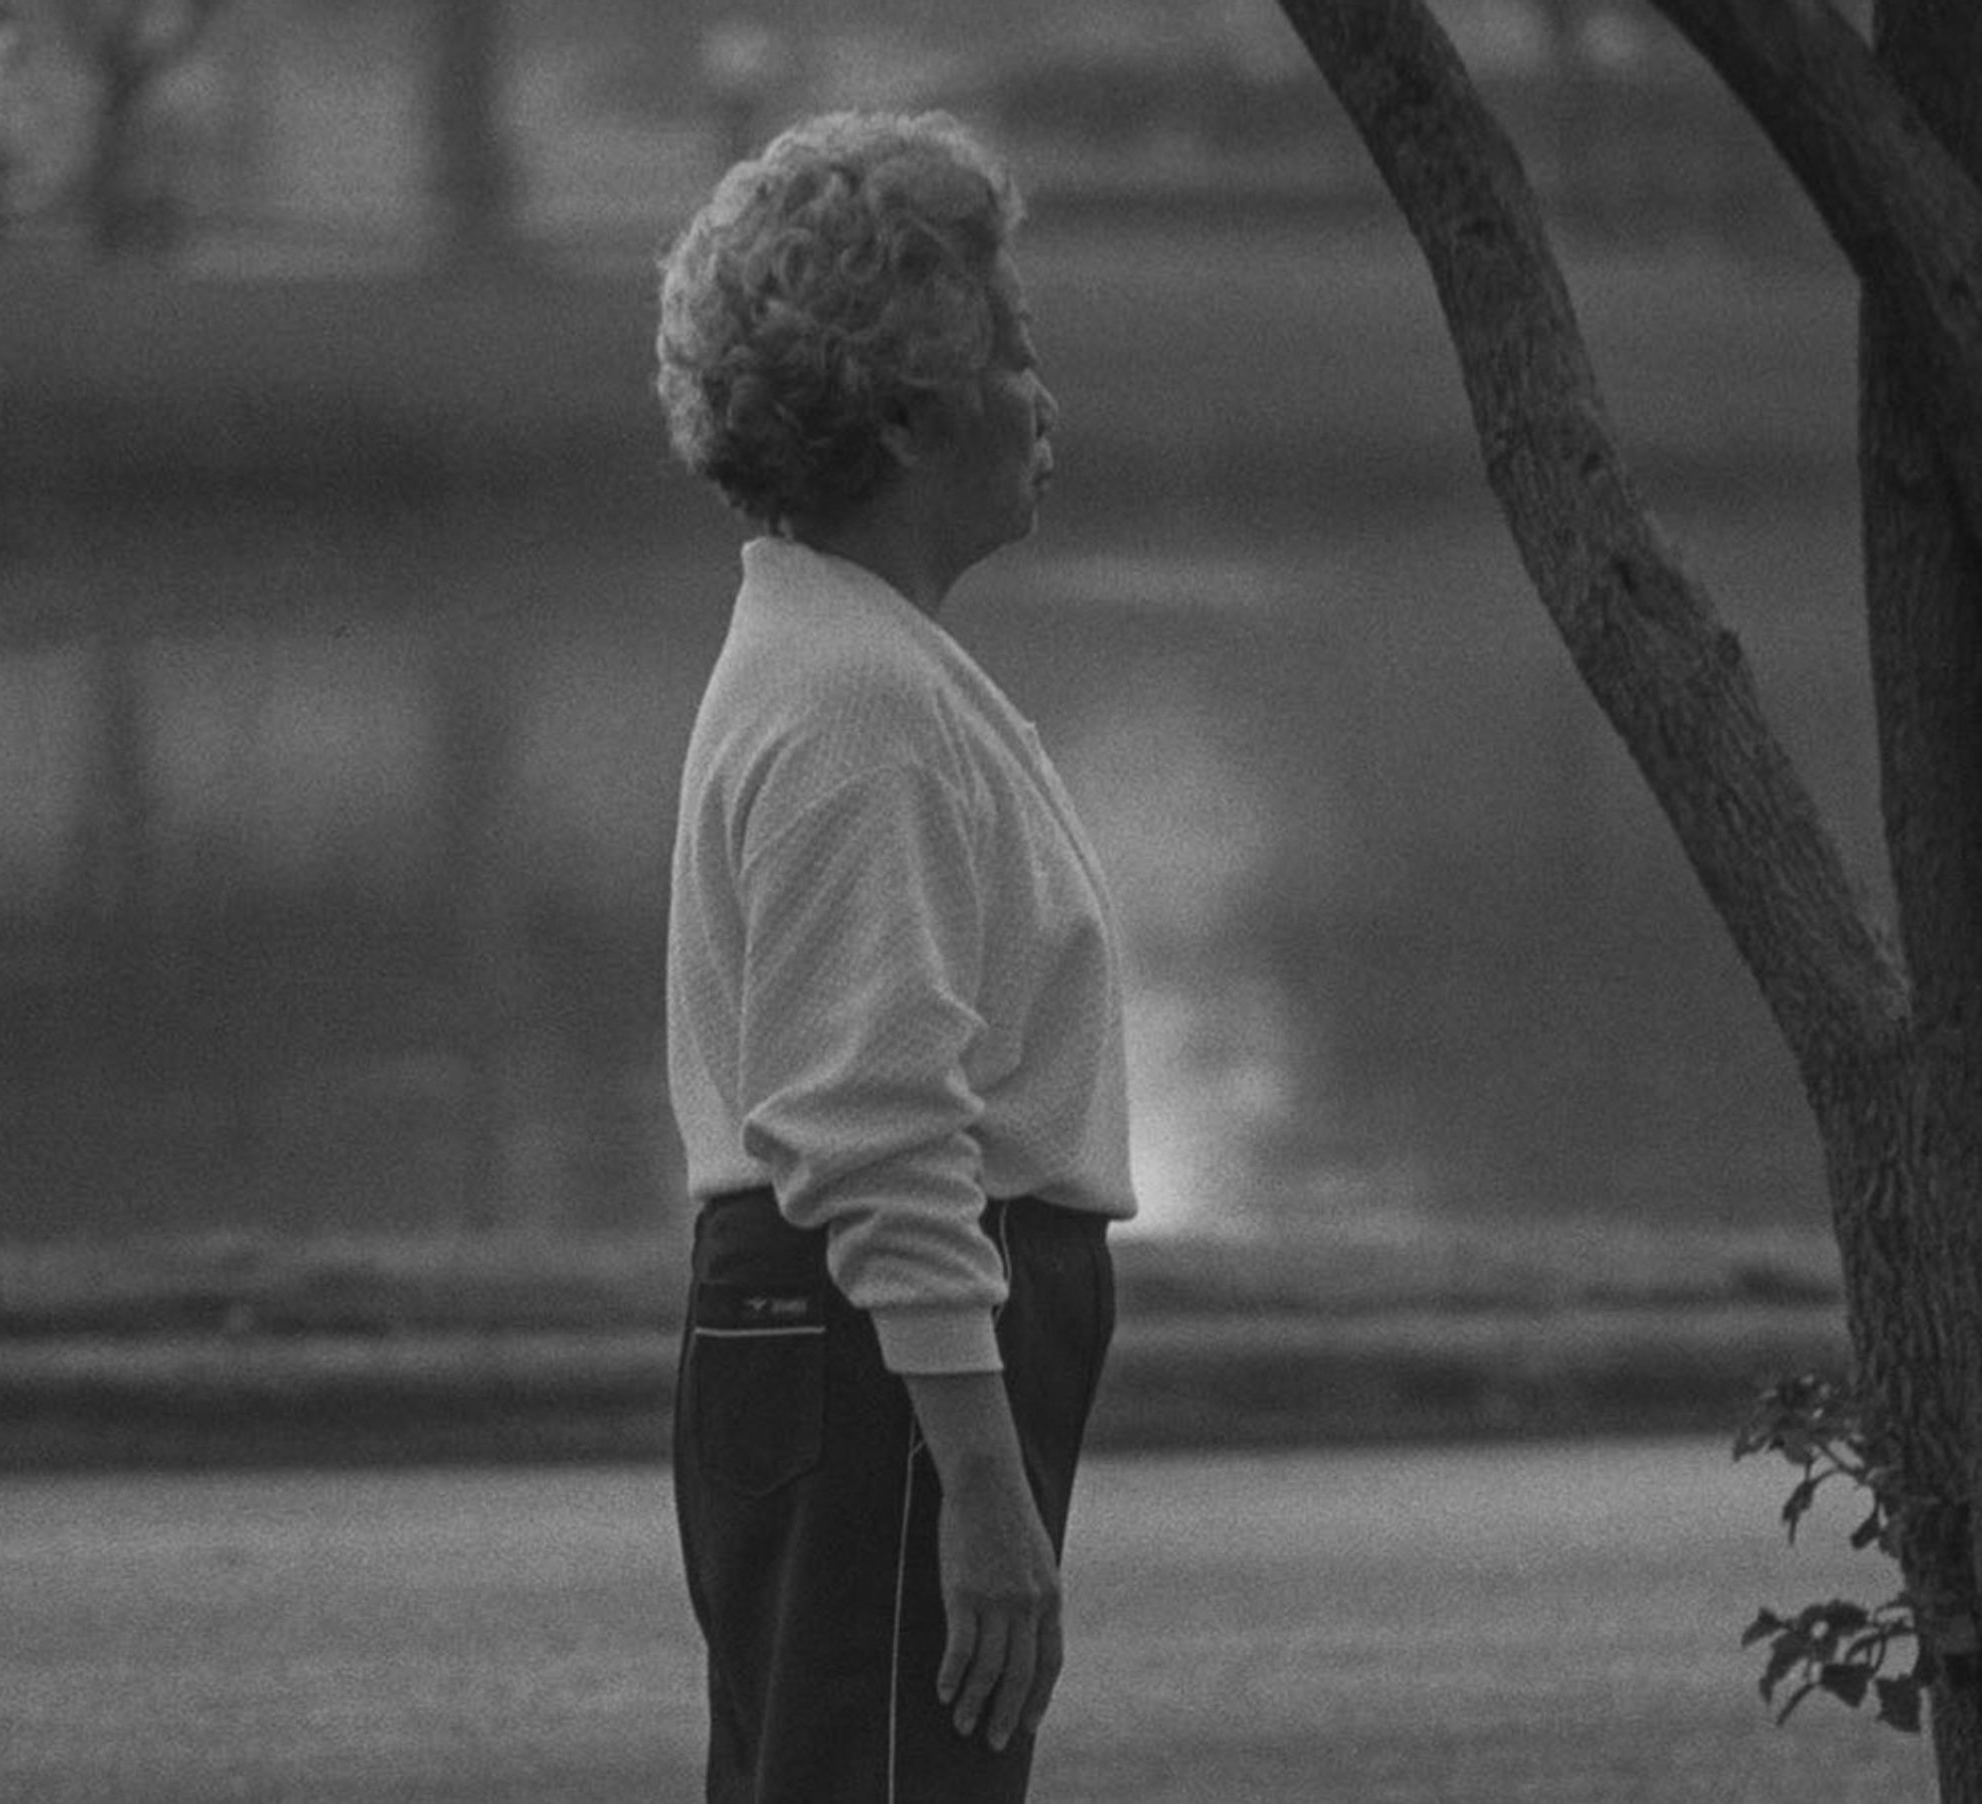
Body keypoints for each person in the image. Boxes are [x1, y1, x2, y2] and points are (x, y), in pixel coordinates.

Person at [653, 111, 1133, 1804]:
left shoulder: (858, 660)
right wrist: (984, 1500)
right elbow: (872, 1129)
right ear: (913, 404)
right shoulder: (859, 702)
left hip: (852, 1345)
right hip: (877, 1356)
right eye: (1015, 347)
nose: (1042, 394)